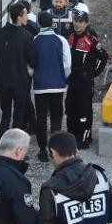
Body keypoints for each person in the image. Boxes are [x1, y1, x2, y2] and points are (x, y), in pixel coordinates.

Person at [66, 10, 108, 149]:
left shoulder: (91, 40)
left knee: (84, 110)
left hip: (85, 81)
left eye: (80, 21)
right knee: (71, 108)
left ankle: (85, 138)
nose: (77, 24)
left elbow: (104, 57)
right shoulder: (69, 37)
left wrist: (94, 73)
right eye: (75, 21)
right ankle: (72, 136)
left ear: (86, 23)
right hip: (72, 80)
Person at [33, 11, 71, 161]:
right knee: (56, 116)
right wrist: (62, 77)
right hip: (58, 85)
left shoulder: (35, 40)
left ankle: (42, 150)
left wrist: (34, 76)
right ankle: (55, 150)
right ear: (52, 23)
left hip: (40, 86)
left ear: (39, 24)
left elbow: (31, 64)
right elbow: (67, 64)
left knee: (41, 118)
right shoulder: (61, 40)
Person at [0, 2, 37, 133]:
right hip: (20, 81)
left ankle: (2, 142)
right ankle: (14, 146)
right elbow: (33, 60)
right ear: (19, 17)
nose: (27, 17)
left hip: (3, 81)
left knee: (5, 114)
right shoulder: (26, 36)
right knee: (18, 116)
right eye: (25, 15)